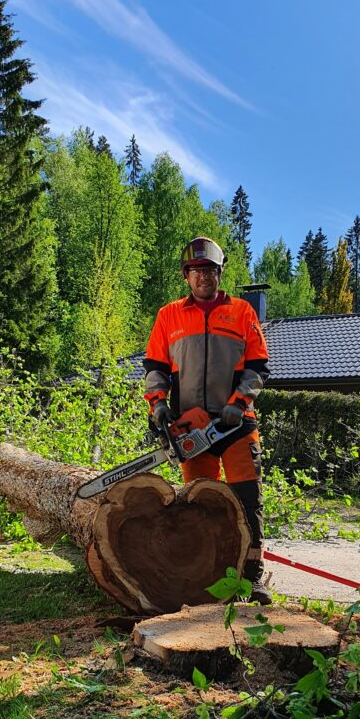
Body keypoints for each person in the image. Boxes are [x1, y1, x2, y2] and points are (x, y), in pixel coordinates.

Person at [143, 236, 272, 603]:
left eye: (210, 270)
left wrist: (239, 401)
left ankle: (252, 577)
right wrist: (158, 404)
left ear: (219, 273)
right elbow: (155, 368)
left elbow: (258, 366)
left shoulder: (242, 312)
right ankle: (209, 577)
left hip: (235, 424)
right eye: (196, 271)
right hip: (192, 424)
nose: (204, 277)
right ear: (186, 275)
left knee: (248, 500)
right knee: (200, 504)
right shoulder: (169, 315)